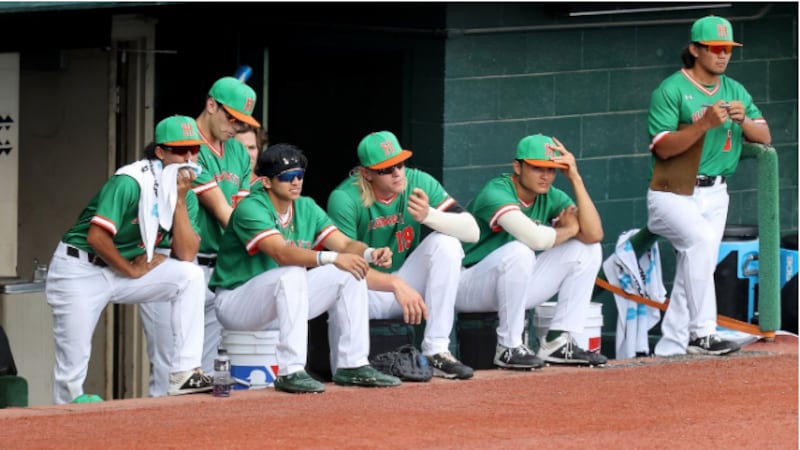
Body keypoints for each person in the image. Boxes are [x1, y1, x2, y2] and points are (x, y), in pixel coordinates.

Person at [46, 116, 212, 404]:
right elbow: (97, 237)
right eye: (180, 150)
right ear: (160, 152)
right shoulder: (130, 181)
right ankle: (67, 421)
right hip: (81, 268)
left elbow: (186, 254)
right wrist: (131, 271)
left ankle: (185, 372)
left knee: (190, 275)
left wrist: (182, 202)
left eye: (194, 150)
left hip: (126, 269)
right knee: (71, 370)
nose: (188, 158)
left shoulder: (186, 194)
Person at [210, 143, 401, 393]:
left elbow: (342, 243)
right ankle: (291, 371)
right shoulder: (251, 207)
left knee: (351, 270)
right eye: (287, 177)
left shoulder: (306, 206)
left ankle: (352, 365)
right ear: (267, 182)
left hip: (279, 301)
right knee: (292, 272)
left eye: (299, 175)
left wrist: (369, 253)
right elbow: (281, 252)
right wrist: (332, 258)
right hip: (237, 302)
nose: (296, 182)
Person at [646, 15, 771, 356]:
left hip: (716, 191)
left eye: (727, 49)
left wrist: (743, 118)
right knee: (700, 245)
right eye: (715, 48)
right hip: (672, 191)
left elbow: (765, 136)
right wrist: (703, 124)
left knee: (698, 263)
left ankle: (670, 347)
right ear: (695, 50)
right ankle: (702, 333)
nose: (723, 55)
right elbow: (662, 147)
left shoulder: (735, 90)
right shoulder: (671, 89)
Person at [327, 131, 480, 379]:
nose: (398, 173)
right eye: (386, 169)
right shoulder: (344, 198)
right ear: (367, 174)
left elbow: (472, 231)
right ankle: (348, 368)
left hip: (406, 283)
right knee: (342, 286)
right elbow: (342, 268)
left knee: (447, 244)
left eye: (399, 163)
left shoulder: (417, 181)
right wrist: (394, 284)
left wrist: (430, 216)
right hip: (364, 288)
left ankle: (437, 350)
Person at [458, 134, 607, 367]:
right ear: (518, 167)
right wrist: (569, 229)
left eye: (552, 169)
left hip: (511, 284)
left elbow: (594, 234)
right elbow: (535, 239)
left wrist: (575, 178)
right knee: (520, 250)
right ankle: (509, 346)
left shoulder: (549, 196)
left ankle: (558, 341)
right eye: (538, 168)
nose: (546, 176)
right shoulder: (496, 191)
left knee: (587, 249)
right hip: (468, 284)